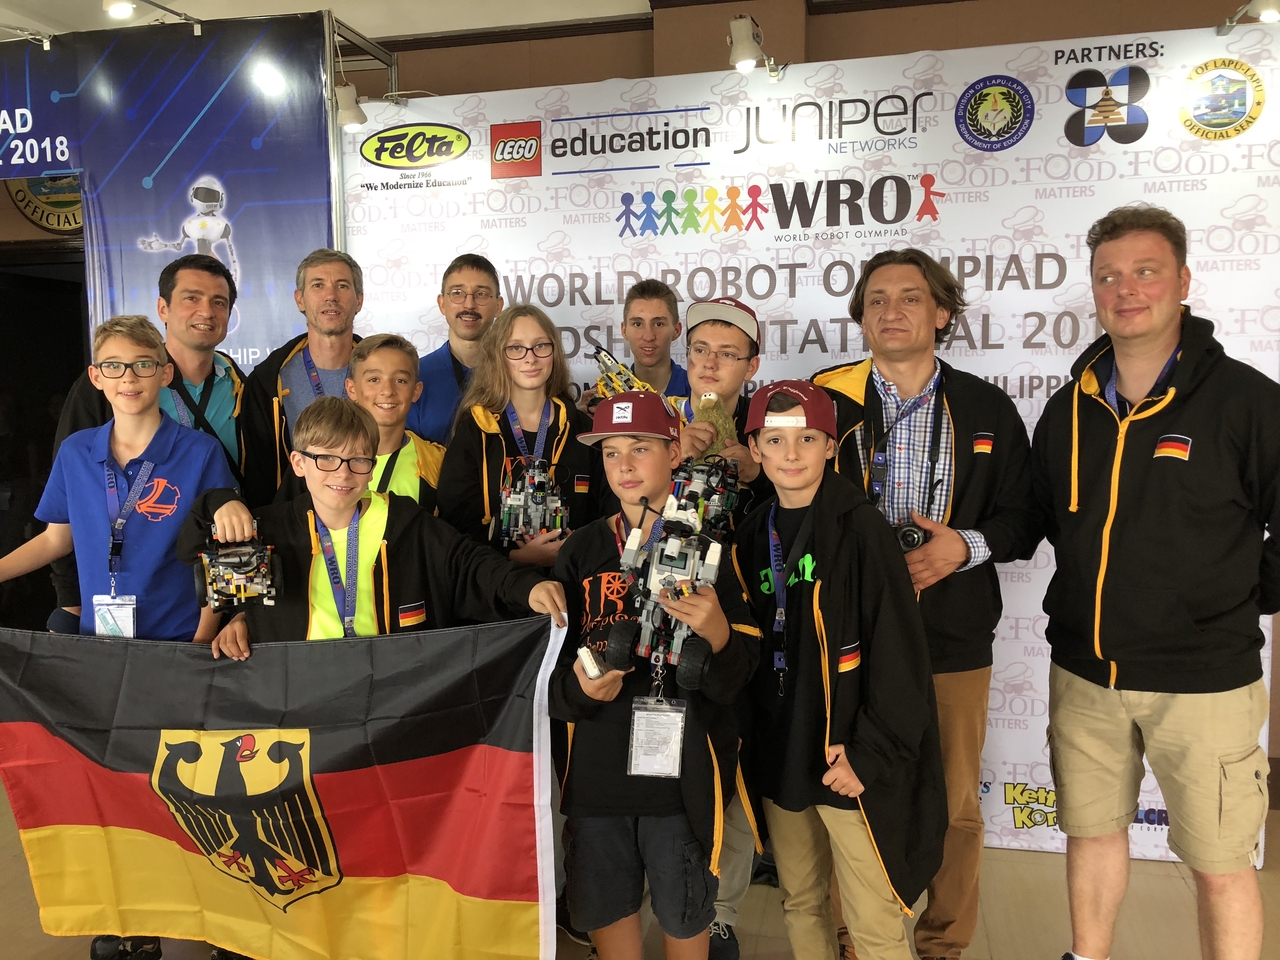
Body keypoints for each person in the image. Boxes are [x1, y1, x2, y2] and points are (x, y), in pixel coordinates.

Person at [1031, 205, 1278, 960]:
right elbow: (1035, 517)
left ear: (1184, 281)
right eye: (1108, 276)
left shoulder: (1246, 400)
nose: (1125, 289)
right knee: (1091, 832)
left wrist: (1235, 599)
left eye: (1145, 271)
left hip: (1203, 680)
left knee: (1220, 862)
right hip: (1085, 673)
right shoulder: (1068, 408)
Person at [812, 247, 1038, 960]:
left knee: (957, 805)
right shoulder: (827, 402)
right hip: (851, 640)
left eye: (910, 298)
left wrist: (962, 547)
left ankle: (944, 945)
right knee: (851, 797)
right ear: (861, 317)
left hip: (952, 636)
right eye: (876, 300)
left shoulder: (985, 406)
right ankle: (858, 941)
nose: (892, 311)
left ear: (941, 313)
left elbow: (1025, 518)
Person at [733, 380, 945, 960]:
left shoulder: (863, 531)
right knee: (801, 901)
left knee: (873, 920)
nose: (791, 453)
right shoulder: (750, 535)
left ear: (831, 446)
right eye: (775, 440)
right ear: (755, 449)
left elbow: (901, 656)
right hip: (782, 749)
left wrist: (870, 753)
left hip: (845, 756)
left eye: (807, 438)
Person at [548, 389, 760, 960]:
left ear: (675, 453)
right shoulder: (582, 550)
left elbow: (740, 676)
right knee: (607, 911)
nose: (624, 464)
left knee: (684, 912)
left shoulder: (713, 547)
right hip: (597, 775)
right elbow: (551, 682)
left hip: (680, 780)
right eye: (610, 451)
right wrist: (579, 690)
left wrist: (717, 632)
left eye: (640, 447)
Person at [178, 396, 566, 655]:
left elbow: (472, 566)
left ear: (372, 467)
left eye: (358, 461)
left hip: (387, 693)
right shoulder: (268, 530)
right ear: (298, 464)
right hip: (296, 693)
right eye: (326, 459)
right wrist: (220, 501)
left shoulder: (406, 523)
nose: (343, 473)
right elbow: (191, 549)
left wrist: (528, 587)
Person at [48, 255, 245, 634]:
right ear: (163, 308)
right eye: (191, 297)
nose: (206, 311)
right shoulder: (99, 396)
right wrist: (70, 597)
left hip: (200, 602)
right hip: (103, 606)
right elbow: (70, 514)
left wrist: (238, 612)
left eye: (218, 302)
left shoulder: (242, 387)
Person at [437, 304, 602, 567]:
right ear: (498, 356)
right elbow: (455, 521)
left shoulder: (582, 428)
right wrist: (515, 558)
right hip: (497, 583)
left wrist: (574, 552)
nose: (530, 358)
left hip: (572, 577)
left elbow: (603, 515)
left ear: (554, 353)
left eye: (540, 346)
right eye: (515, 348)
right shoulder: (476, 428)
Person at [240, 249, 363, 507]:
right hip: (292, 520)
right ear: (300, 300)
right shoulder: (266, 382)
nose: (331, 296)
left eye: (342, 286)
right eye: (318, 285)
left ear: (359, 300)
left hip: (370, 516)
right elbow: (259, 478)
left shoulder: (381, 375)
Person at [406, 253, 505, 444]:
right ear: (442, 304)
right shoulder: (415, 376)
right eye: (457, 293)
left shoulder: (518, 373)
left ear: (498, 306)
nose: (469, 304)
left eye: (481, 294)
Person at [346, 333, 445, 513]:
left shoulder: (437, 463)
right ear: (352, 389)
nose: (387, 391)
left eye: (400, 381)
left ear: (416, 391)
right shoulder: (322, 458)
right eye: (374, 380)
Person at [619, 278, 690, 397]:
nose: (648, 337)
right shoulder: (602, 396)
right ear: (624, 330)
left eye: (658, 324)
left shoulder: (699, 393)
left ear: (676, 331)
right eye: (638, 324)